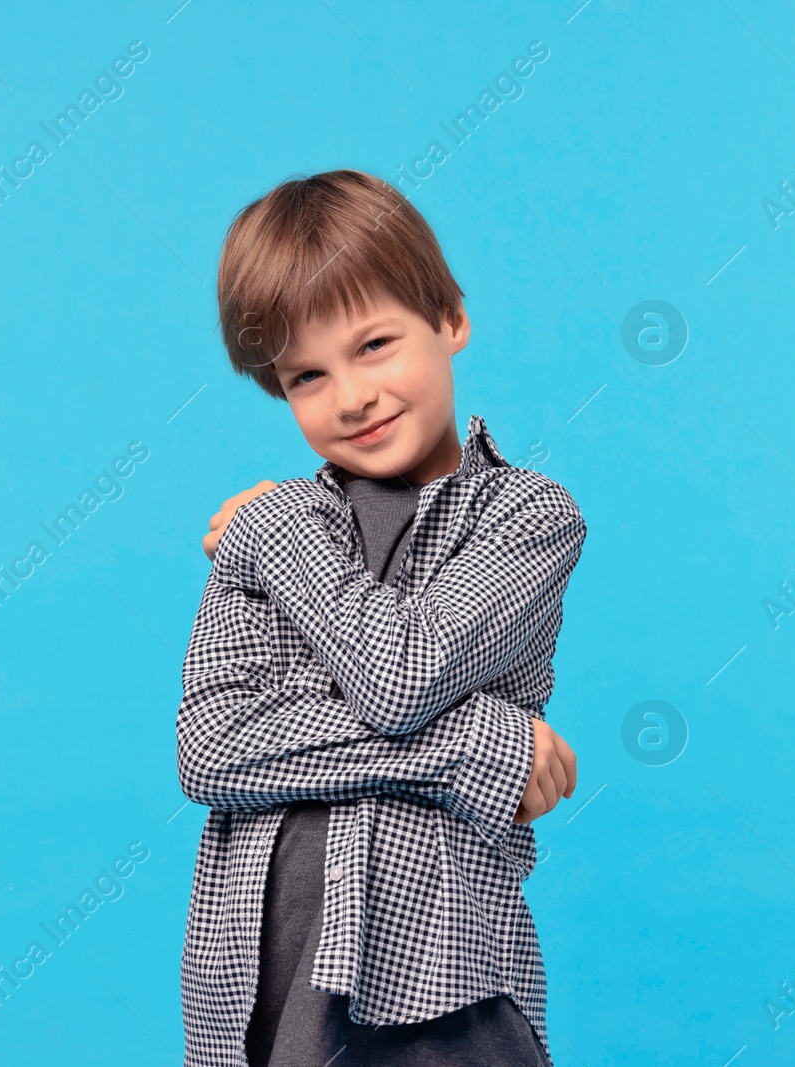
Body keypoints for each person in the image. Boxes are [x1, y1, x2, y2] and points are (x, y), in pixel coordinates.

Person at [175, 168, 588, 1067]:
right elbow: (210, 748)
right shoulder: (273, 529)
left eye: (374, 345)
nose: (351, 396)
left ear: (449, 319)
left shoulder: (525, 516)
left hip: (442, 981)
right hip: (259, 984)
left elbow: (401, 672)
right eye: (306, 375)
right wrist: (482, 743)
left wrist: (274, 530)